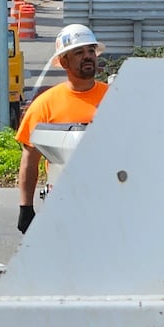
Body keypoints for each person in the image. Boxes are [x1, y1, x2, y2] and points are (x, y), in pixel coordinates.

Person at [15, 23, 109, 233]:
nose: (88, 56)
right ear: (64, 61)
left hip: (109, 198)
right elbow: (30, 159)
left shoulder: (115, 97)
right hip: (63, 201)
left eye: (91, 51)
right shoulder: (45, 105)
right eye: (79, 52)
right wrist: (26, 207)